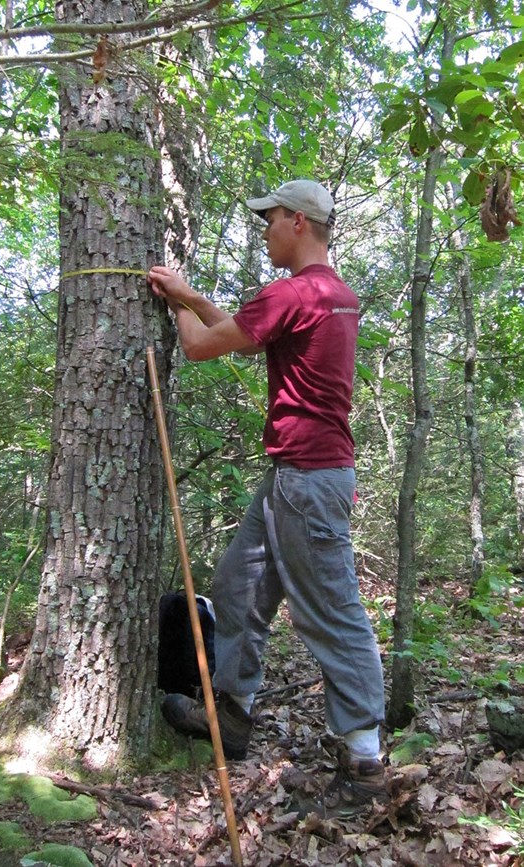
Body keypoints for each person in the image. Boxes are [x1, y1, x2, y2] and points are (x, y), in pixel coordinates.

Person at [148, 179, 387, 817]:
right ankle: (231, 714)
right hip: (298, 475)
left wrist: (174, 300)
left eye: (271, 218)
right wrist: (191, 295)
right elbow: (240, 330)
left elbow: (200, 346)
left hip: (308, 480)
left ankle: (365, 759)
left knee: (332, 614)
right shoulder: (333, 294)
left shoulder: (295, 292)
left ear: (300, 224)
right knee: (236, 586)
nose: (265, 229)